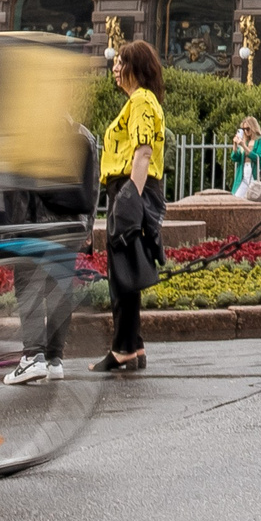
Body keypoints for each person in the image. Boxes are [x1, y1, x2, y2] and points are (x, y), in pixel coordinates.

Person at [4, 116, 99, 385]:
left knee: (28, 287)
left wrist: (11, 230)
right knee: (60, 288)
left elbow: (18, 186)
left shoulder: (31, 131)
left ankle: (32, 357)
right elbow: (93, 185)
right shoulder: (85, 136)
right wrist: (87, 225)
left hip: (34, 226)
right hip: (70, 226)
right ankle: (55, 359)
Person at [94, 41, 166, 374]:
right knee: (129, 268)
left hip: (131, 188)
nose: (114, 67)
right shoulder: (140, 101)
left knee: (121, 272)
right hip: (133, 189)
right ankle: (133, 345)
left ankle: (122, 349)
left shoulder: (140, 101)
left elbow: (143, 153)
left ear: (134, 67)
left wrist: (129, 201)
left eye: (120, 62)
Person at [230, 115, 261, 200]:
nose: (246, 132)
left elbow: (258, 157)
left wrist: (244, 146)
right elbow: (235, 158)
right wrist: (235, 144)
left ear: (253, 127)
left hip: (255, 173)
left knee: (254, 199)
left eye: (247, 129)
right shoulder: (245, 140)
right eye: (243, 129)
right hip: (243, 173)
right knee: (236, 197)